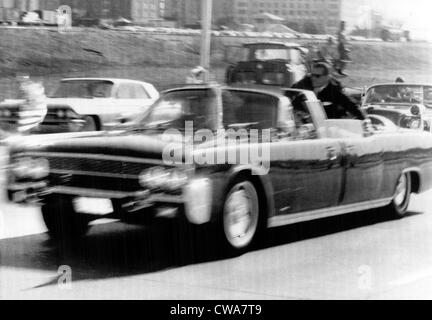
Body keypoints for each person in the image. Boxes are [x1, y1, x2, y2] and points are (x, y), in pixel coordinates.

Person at [292, 62, 365, 120]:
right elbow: (289, 94)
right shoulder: (306, 82)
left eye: (317, 76)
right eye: (312, 75)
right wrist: (302, 115)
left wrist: (365, 121)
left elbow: (353, 107)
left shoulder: (335, 91)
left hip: (330, 126)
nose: (313, 78)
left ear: (327, 77)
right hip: (305, 126)